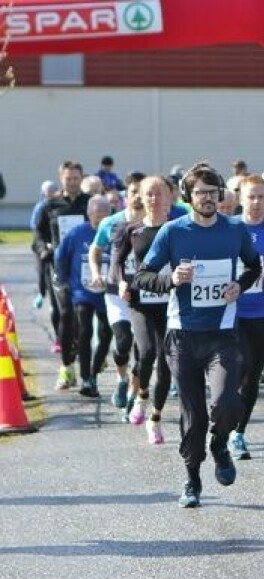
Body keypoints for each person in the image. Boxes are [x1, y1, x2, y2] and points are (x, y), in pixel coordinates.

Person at [135, 162, 262, 509]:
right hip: (183, 337)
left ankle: (220, 443)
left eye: (212, 192)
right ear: (188, 196)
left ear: (220, 194)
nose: (206, 198)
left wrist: (242, 283)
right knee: (194, 415)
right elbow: (142, 276)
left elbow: (255, 265)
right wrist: (171, 280)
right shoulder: (173, 232)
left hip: (222, 333)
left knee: (225, 402)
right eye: (199, 193)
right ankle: (192, 477)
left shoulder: (235, 229)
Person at [113, 176, 174, 443]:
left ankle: (156, 417)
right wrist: (122, 282)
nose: (153, 199)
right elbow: (116, 262)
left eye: (159, 193)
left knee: (166, 360)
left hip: (170, 303)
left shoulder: (177, 229)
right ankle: (142, 396)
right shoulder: (132, 230)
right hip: (141, 302)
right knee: (147, 352)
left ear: (169, 198)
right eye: (149, 194)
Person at [231, 175, 264, 459]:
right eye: (251, 196)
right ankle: (223, 420)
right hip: (230, 312)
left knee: (251, 374)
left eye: (261, 197)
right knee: (237, 368)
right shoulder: (228, 228)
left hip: (261, 313)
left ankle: (239, 432)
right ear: (240, 198)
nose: (256, 202)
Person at [89, 171, 146, 412]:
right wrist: (95, 273)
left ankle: (133, 394)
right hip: (116, 292)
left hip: (146, 294)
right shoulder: (111, 222)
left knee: (143, 349)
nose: (138, 198)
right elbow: (95, 249)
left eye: (142, 193)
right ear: (126, 195)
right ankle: (121, 379)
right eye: (133, 192)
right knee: (123, 342)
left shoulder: (157, 224)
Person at [55, 195, 113, 396]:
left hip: (107, 293)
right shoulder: (77, 233)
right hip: (82, 291)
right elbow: (61, 256)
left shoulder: (115, 234)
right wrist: (62, 281)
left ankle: (95, 373)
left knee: (106, 334)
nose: (101, 219)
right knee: (85, 332)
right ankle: (86, 377)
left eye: (105, 215)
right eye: (97, 214)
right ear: (89, 214)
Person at [34, 160, 91, 357]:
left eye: (76, 178)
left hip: (85, 265)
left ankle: (80, 348)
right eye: (68, 178)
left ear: (81, 178)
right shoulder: (50, 206)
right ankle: (67, 359)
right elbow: (39, 235)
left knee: (81, 314)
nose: (72, 182)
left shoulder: (89, 203)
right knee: (64, 312)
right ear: (61, 179)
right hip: (59, 266)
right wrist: (44, 250)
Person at [30, 180, 59, 309]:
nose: (51, 193)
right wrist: (44, 244)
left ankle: (55, 299)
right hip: (42, 246)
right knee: (42, 272)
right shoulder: (41, 207)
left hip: (55, 245)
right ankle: (41, 294)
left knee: (54, 275)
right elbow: (35, 226)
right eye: (48, 191)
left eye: (53, 190)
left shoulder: (59, 205)